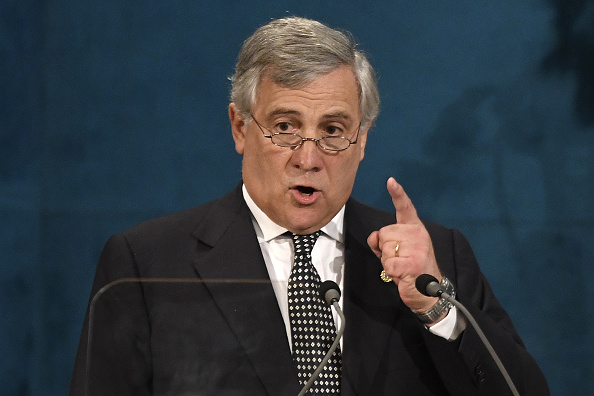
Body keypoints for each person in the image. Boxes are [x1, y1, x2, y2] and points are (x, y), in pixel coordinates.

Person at [70, 16, 549, 395]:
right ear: (239, 128)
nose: (308, 158)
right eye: (284, 127)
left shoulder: (434, 260)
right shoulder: (146, 264)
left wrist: (436, 309)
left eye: (334, 131)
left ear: (363, 139)